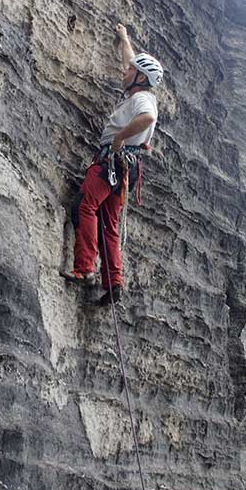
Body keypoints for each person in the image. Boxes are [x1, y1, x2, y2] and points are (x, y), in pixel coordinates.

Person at [60, 22, 163, 306]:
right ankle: (113, 282)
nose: (124, 71)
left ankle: (85, 269)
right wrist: (124, 39)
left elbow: (147, 119)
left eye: (130, 71)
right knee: (109, 225)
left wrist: (119, 138)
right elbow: (130, 61)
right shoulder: (139, 92)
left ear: (140, 78)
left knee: (84, 205)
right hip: (122, 169)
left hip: (111, 162)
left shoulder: (143, 98)